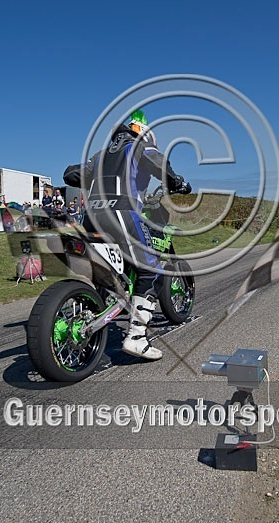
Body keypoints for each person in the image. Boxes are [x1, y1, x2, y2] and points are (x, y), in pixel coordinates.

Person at [63, 109, 190, 360]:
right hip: (122, 212)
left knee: (111, 267)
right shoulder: (139, 147)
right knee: (150, 269)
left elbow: (70, 174)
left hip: (91, 217)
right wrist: (178, 182)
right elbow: (160, 165)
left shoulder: (100, 155)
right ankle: (137, 338)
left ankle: (108, 300)